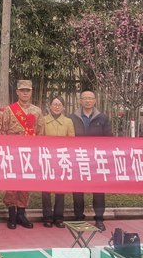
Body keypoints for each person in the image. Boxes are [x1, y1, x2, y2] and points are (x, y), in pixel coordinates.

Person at [0, 80, 45, 229]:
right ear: (17, 92)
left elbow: (40, 133)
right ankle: (11, 214)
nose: (25, 93)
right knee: (12, 183)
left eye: (28, 90)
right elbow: (2, 131)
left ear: (31, 92)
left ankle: (21, 214)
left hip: (28, 154)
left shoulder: (37, 111)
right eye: (22, 90)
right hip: (12, 153)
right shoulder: (9, 110)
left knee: (25, 183)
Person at [69, 88, 112, 231]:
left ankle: (99, 218)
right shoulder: (72, 118)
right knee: (78, 190)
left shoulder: (102, 118)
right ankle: (78, 218)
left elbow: (109, 139)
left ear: (94, 101)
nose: (87, 101)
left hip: (96, 160)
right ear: (80, 101)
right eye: (85, 98)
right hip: (78, 158)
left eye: (90, 98)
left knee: (98, 191)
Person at [42, 95, 75, 228]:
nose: (56, 107)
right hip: (47, 158)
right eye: (54, 104)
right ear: (50, 106)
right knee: (45, 190)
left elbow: (72, 140)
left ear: (63, 107)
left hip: (62, 158)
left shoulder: (68, 122)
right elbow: (39, 138)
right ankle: (47, 217)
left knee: (60, 189)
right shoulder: (43, 120)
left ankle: (59, 217)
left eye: (59, 105)